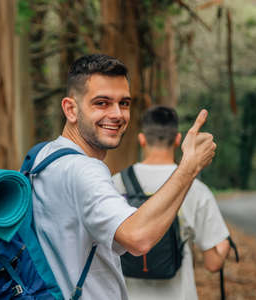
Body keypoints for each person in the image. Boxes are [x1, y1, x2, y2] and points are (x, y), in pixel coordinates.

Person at [27, 54, 216, 299]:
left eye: (124, 103)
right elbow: (138, 238)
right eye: (102, 103)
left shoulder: (43, 156)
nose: (117, 114)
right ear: (71, 109)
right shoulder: (85, 170)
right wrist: (189, 167)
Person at [112, 105, 230, 300]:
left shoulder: (115, 183)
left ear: (141, 139)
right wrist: (224, 246)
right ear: (178, 140)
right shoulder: (195, 187)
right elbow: (213, 263)